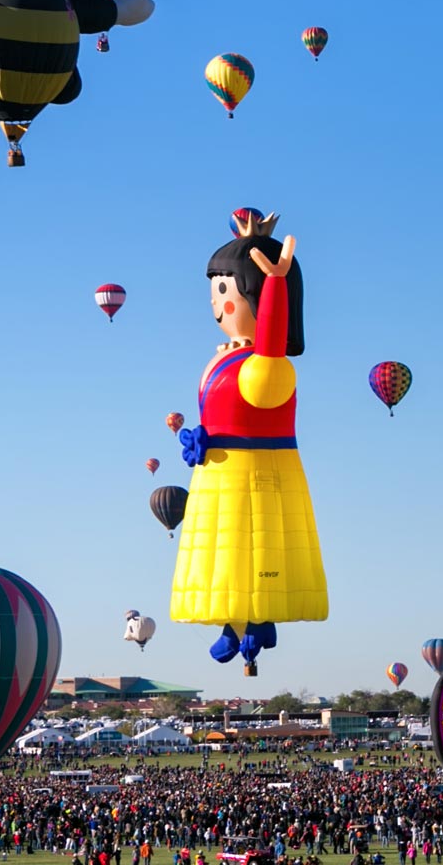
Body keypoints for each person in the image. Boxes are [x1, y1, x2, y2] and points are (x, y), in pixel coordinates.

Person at [169, 218, 325, 675]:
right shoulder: (225, 354)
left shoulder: (267, 369)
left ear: (255, 295)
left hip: (256, 471)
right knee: (220, 554)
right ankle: (233, 625)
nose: (218, 304)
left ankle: (257, 621)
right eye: (214, 292)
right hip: (218, 470)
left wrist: (277, 286)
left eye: (226, 291)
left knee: (256, 546)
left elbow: (272, 346)